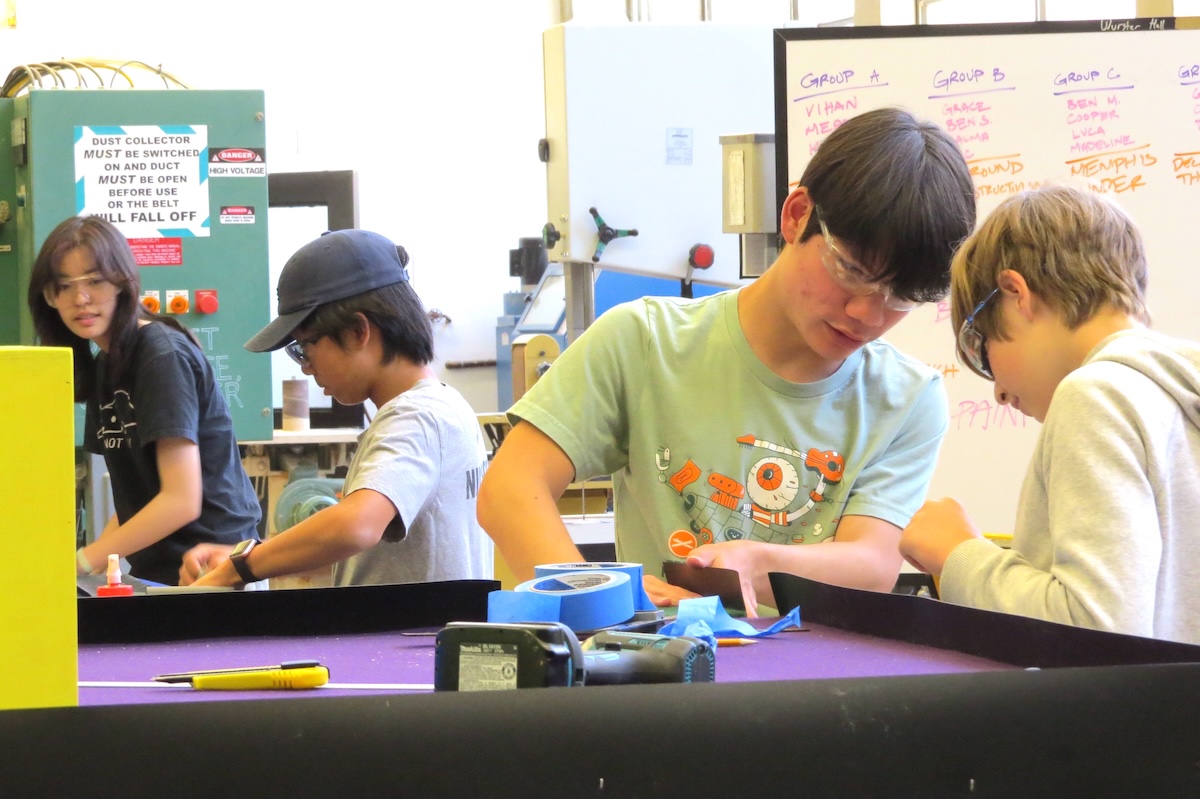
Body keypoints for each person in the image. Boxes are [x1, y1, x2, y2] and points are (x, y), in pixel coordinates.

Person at [477, 107, 977, 613]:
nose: (866, 314)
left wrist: (758, 564)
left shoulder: (906, 398)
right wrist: (600, 596)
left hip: (821, 681)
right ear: (797, 214)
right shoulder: (646, 342)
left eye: (900, 299)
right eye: (850, 270)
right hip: (662, 675)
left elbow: (871, 564)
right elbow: (511, 487)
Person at [899, 184, 1200, 644]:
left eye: (981, 348)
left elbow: (1096, 630)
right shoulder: (1174, 392)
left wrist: (957, 553)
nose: (998, 391)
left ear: (1016, 293)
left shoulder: (1097, 396)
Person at [180, 229, 493, 588]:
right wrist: (256, 554)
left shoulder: (414, 416)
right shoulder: (446, 405)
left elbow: (356, 525)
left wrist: (241, 567)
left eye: (304, 347)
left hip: (410, 640)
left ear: (358, 330)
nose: (305, 367)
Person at [27, 215, 261, 586]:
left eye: (95, 281)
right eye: (63, 286)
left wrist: (83, 560)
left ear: (123, 282)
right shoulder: (107, 362)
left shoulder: (160, 353)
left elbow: (181, 500)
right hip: (161, 572)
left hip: (213, 571)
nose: (81, 298)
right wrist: (96, 564)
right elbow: (136, 499)